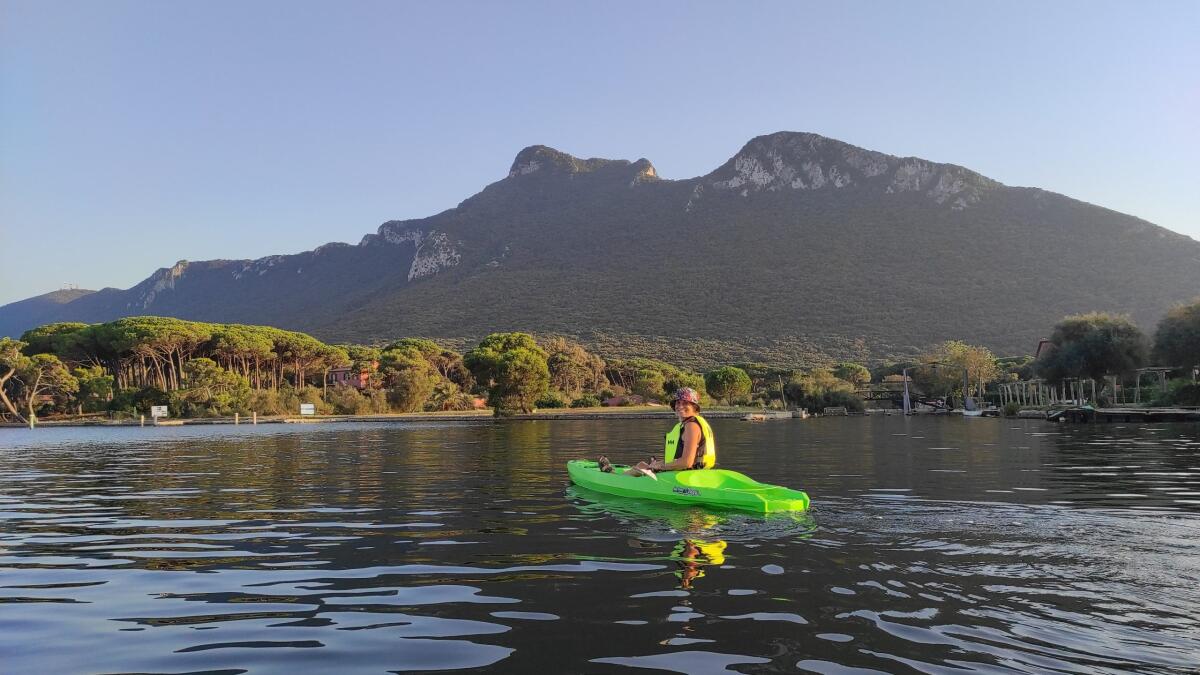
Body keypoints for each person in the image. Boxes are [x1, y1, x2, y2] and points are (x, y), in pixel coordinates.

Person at [598, 387, 716, 476]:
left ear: (694, 407)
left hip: (686, 476)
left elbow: (687, 462)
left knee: (641, 467)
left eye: (685, 403)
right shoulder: (694, 423)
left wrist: (661, 465)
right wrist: (659, 464)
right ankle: (618, 474)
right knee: (643, 465)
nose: (680, 406)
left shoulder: (691, 426)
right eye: (678, 403)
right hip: (696, 473)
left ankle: (613, 477)